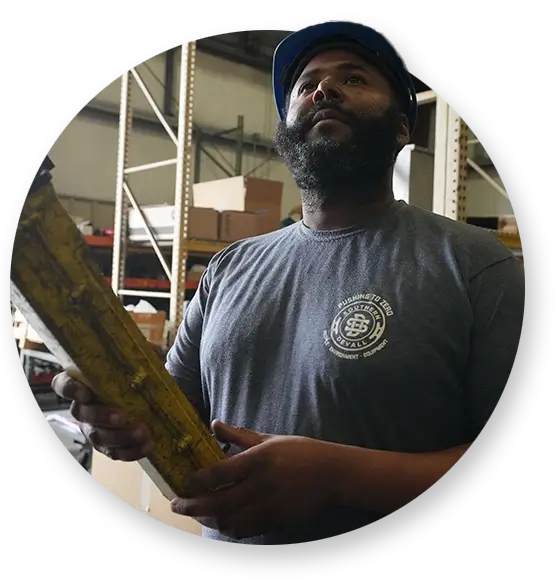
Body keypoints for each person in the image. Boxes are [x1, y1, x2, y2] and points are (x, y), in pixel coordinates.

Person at [52, 20, 525, 545]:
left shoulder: (476, 265)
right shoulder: (228, 270)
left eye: (355, 79)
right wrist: (120, 419)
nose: (324, 89)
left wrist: (338, 477)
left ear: (402, 128)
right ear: (286, 133)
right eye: (307, 85)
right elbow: (175, 412)